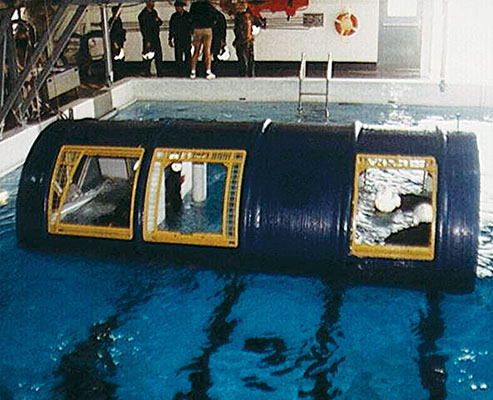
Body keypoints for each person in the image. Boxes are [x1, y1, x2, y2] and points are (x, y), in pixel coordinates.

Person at [233, 1, 264, 77]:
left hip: (242, 40)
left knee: (242, 59)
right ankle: (250, 74)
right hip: (248, 40)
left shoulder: (240, 17)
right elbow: (259, 23)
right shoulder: (250, 16)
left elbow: (238, 30)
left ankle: (243, 74)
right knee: (249, 59)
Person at [189, 0, 218, 80]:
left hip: (197, 29)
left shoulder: (194, 5)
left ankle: (193, 71)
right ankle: (208, 71)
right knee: (207, 50)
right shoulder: (208, 5)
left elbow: (190, 17)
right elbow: (215, 16)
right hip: (207, 29)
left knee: (196, 51)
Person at [138, 1, 163, 76]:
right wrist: (147, 40)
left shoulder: (154, 12)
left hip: (155, 37)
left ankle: (160, 72)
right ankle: (146, 71)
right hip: (148, 38)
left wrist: (158, 20)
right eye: (151, 2)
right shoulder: (143, 15)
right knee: (148, 56)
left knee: (158, 56)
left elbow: (159, 22)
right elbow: (144, 29)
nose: (153, 4)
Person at [168, 0, 192, 76]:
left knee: (187, 54)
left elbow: (191, 26)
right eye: (176, 7)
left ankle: (188, 70)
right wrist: (170, 38)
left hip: (186, 37)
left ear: (182, 7)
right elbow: (171, 28)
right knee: (178, 55)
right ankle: (179, 71)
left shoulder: (188, 16)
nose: (177, 9)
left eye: (178, 7)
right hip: (177, 38)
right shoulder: (174, 16)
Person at [211, 6, 227, 71]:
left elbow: (223, 29)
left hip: (215, 36)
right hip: (217, 36)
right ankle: (215, 66)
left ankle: (210, 66)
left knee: (210, 52)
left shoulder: (213, 16)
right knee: (214, 52)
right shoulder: (220, 16)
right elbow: (223, 29)